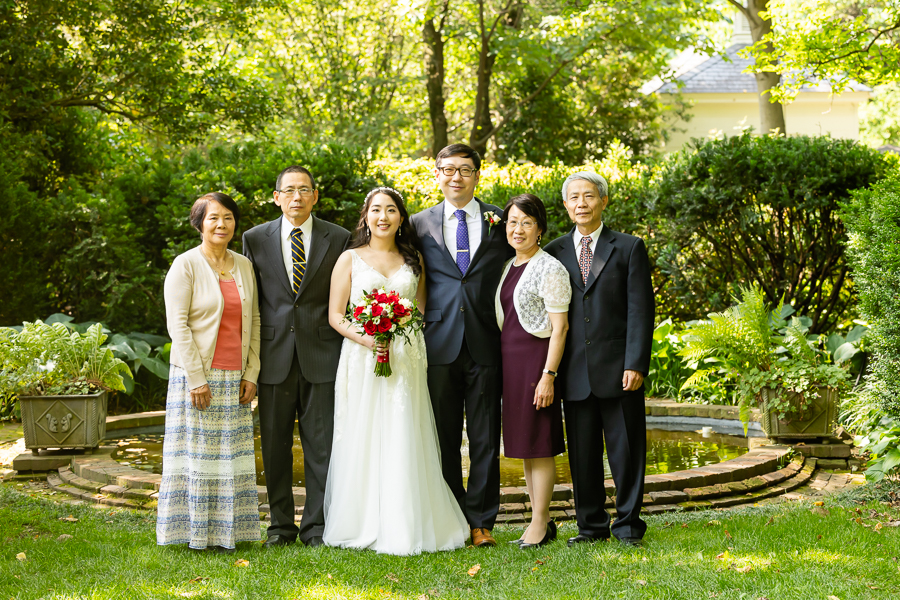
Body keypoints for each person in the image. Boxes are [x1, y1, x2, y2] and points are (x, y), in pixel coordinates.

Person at [322, 187, 469, 555]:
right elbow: (336, 315)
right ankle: (363, 519)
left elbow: (418, 310)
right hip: (362, 354)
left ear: (401, 218)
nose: (383, 217)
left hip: (406, 355)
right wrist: (370, 339)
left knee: (405, 428)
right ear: (366, 216)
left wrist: (399, 331)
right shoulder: (350, 259)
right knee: (364, 430)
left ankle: (408, 519)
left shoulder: (414, 257)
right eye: (376, 210)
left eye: (391, 210)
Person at [409, 143, 514, 547]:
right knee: (443, 436)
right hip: (437, 343)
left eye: (465, 170)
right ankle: (452, 515)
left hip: (488, 340)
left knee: (487, 436)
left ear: (477, 175)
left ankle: (482, 521)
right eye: (448, 169)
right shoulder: (417, 224)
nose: (456, 177)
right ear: (437, 174)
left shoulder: (501, 221)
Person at [242, 166, 351, 548]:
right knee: (274, 447)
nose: (297, 197)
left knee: (321, 446)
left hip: (322, 353)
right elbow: (250, 303)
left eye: (304, 190)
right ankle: (280, 527)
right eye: (289, 191)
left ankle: (316, 528)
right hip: (273, 357)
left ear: (315, 196)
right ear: (276, 197)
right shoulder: (254, 239)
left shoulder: (338, 238)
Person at [544, 172, 655, 547]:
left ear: (603, 201)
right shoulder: (554, 251)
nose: (581, 203)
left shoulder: (628, 247)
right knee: (583, 456)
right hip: (574, 372)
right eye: (574, 197)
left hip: (619, 369)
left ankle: (627, 526)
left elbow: (640, 310)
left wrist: (636, 363)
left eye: (589, 196)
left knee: (626, 453)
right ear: (565, 205)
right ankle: (590, 527)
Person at [157, 192, 261, 552]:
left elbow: (256, 321)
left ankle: (229, 532)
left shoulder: (244, 265)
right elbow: (178, 326)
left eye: (228, 217)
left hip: (236, 376)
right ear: (200, 223)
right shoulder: (185, 265)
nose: (222, 224)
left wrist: (252, 372)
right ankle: (194, 533)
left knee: (230, 457)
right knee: (197, 456)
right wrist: (196, 379)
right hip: (196, 376)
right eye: (213, 217)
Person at [494, 194, 571, 548]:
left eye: (526, 222)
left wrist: (548, 375)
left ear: (540, 228)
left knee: (539, 445)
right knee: (525, 446)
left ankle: (540, 523)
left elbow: (561, 328)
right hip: (512, 365)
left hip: (536, 364)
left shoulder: (549, 267)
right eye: (512, 221)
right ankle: (539, 520)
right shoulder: (510, 266)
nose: (518, 229)